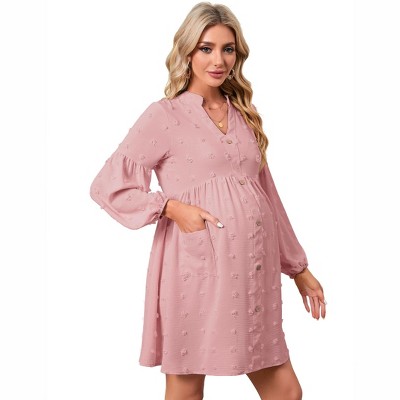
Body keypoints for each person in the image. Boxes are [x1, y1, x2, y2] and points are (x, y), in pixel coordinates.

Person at [90, 2, 326, 399]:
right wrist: (169, 207)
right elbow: (108, 186)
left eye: (227, 49)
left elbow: (268, 197)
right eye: (206, 48)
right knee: (187, 390)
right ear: (187, 51)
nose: (218, 60)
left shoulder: (244, 114)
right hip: (194, 270)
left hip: (253, 273)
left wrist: (298, 268)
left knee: (286, 392)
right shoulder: (163, 116)